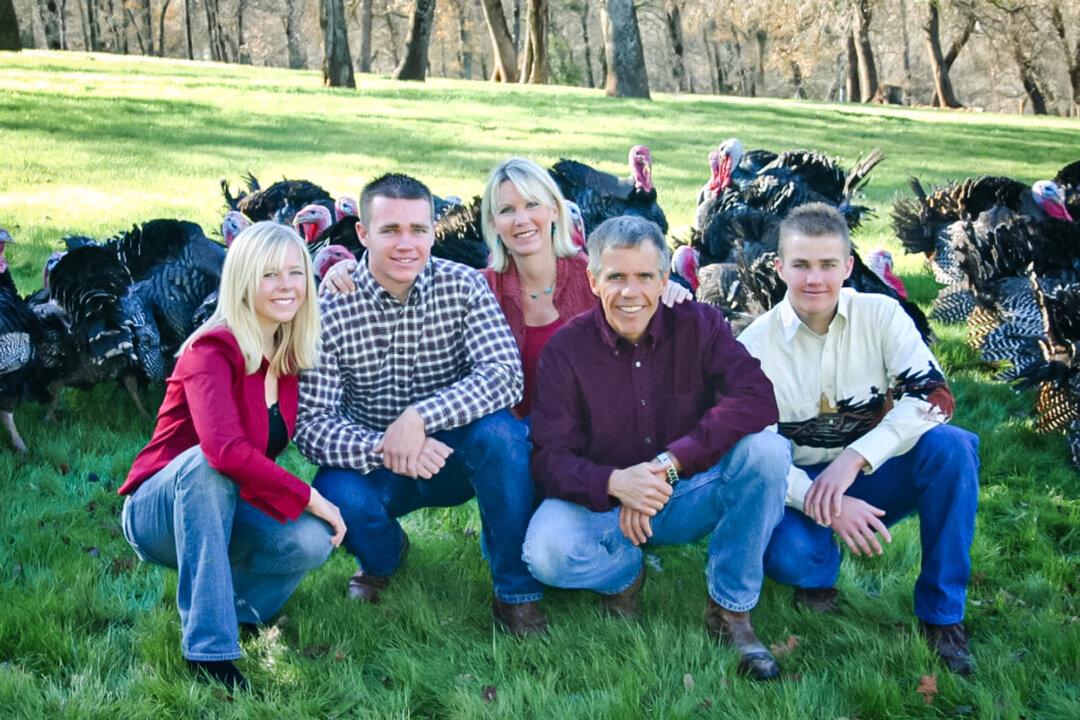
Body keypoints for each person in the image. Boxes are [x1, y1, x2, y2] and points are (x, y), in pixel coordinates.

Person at [523, 215, 791, 681]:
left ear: (665, 278)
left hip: (685, 490)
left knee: (767, 452)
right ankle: (624, 576)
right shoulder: (566, 351)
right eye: (616, 277)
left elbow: (755, 397)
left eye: (646, 277)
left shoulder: (700, 325)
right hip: (606, 504)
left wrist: (669, 464)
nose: (631, 292)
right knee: (546, 550)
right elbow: (549, 459)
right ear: (592, 280)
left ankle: (731, 612)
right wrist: (616, 484)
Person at [294, 173, 548, 636]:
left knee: (503, 436)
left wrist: (419, 419)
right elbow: (311, 425)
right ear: (363, 234)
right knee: (337, 491)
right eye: (390, 230)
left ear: (434, 231)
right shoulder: (329, 311)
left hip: (452, 457)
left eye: (419, 229)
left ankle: (516, 593)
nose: (406, 244)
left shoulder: (464, 286)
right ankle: (385, 558)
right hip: (376, 464)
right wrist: (386, 444)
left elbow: (504, 376)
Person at [736, 203, 980, 675]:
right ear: (779, 266)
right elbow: (750, 447)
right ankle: (816, 577)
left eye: (829, 265)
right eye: (801, 264)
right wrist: (822, 501)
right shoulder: (754, 347)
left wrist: (855, 457)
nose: (815, 279)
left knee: (954, 447)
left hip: (873, 469)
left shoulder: (883, 315)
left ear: (848, 266)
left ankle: (942, 616)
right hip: (797, 483)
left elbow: (935, 397)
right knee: (788, 556)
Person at [119, 222, 347, 691]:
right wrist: (311, 496)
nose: (286, 285)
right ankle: (208, 651)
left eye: (295, 272)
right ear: (242, 280)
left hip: (226, 502)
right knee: (209, 463)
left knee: (310, 539)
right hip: (159, 510)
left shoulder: (285, 352)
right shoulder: (211, 349)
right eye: (268, 274)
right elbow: (224, 451)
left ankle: (238, 611)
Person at [320, 157, 690, 417]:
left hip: (591, 440)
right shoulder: (478, 289)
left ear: (554, 211)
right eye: (507, 210)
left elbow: (643, 312)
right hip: (515, 448)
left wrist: (669, 291)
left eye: (532, 204)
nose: (521, 219)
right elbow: (408, 267)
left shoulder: (595, 280)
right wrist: (352, 270)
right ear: (493, 222)